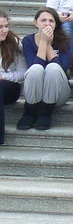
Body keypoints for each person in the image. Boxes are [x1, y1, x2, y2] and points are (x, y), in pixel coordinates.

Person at [17, 8, 73, 131]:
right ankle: (30, 112)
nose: (47, 24)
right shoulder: (28, 40)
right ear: (35, 23)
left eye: (51, 21)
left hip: (59, 92)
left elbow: (62, 69)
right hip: (35, 91)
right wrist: (43, 41)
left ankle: (45, 113)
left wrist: (48, 44)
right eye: (43, 20)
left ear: (56, 24)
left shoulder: (66, 40)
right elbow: (33, 66)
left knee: (53, 67)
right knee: (36, 68)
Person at [0, 8, 27, 144]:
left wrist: (3, 77)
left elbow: (23, 73)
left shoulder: (14, 43)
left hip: (10, 88)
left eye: (6, 26)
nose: (4, 30)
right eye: (0, 27)